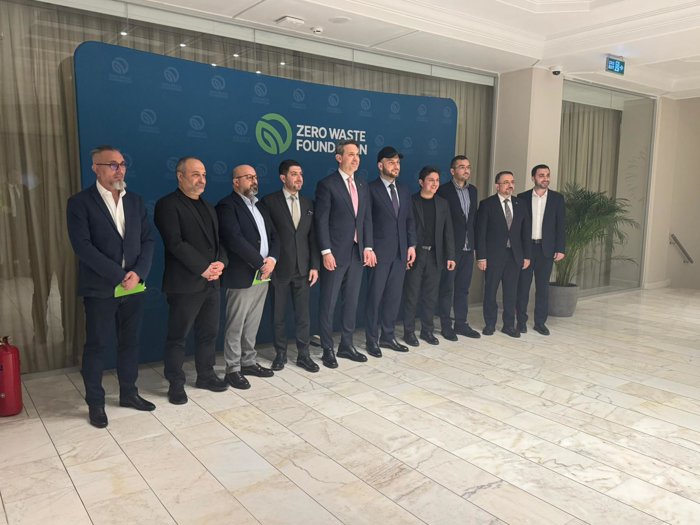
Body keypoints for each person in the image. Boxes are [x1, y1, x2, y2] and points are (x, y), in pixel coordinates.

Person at [66, 145, 155, 428]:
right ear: (96, 168)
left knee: (130, 342)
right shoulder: (80, 203)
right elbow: (83, 247)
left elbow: (147, 241)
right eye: (112, 165)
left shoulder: (135, 201)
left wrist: (138, 273)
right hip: (100, 288)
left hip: (134, 287)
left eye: (122, 164)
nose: (119, 170)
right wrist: (119, 275)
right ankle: (96, 403)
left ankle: (129, 393)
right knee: (97, 345)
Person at [154, 156, 228, 405]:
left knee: (209, 333)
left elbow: (219, 243)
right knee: (178, 337)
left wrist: (221, 263)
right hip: (185, 284)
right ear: (180, 176)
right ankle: (175, 383)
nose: (201, 179)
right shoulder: (167, 205)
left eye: (204, 175)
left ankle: (206, 375)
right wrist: (203, 268)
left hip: (212, 283)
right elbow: (175, 243)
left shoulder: (209, 207)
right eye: (196, 174)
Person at [315, 139, 376, 368]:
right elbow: (321, 220)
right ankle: (327, 349)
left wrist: (368, 247)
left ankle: (346, 345)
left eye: (357, 154)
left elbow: (366, 218)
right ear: (339, 158)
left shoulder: (362, 185)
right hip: (335, 253)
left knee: (351, 301)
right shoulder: (327, 184)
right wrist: (326, 251)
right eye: (351, 154)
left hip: (357, 253)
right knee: (328, 303)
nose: (355, 158)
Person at [217, 165, 278, 389]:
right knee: (236, 323)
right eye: (248, 177)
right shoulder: (227, 206)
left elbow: (275, 236)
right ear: (236, 181)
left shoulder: (260, 205)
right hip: (242, 274)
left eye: (255, 177)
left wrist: (272, 260)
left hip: (264, 274)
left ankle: (249, 362)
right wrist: (260, 263)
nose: (254, 181)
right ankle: (232, 369)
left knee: (252, 322)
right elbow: (234, 239)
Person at [261, 159, 320, 372]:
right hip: (279, 269)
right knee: (278, 316)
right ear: (283, 177)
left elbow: (313, 237)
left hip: (303, 269)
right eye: (294, 174)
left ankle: (304, 355)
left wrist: (315, 266)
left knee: (303, 316)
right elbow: (267, 236)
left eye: (301, 174)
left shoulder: (308, 203)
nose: (299, 178)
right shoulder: (269, 202)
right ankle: (281, 354)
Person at [364, 146, 416, 357]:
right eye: (391, 162)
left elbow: (409, 219)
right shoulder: (370, 189)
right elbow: (366, 222)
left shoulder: (403, 189)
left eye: (398, 163)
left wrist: (411, 245)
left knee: (394, 298)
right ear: (380, 165)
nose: (396, 166)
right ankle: (371, 340)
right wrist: (369, 247)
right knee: (375, 298)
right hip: (379, 254)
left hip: (400, 253)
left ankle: (388, 336)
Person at [402, 167, 456, 347]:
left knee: (430, 296)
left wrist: (450, 256)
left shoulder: (443, 204)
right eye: (431, 180)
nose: (435, 184)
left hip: (435, 255)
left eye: (437, 180)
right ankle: (409, 332)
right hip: (415, 255)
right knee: (411, 295)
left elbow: (448, 232)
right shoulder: (411, 201)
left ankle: (427, 331)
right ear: (421, 182)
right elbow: (405, 228)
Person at [476, 170, 531, 337]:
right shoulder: (487, 204)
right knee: (490, 291)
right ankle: (490, 324)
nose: (510, 185)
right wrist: (481, 257)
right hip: (493, 256)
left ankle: (508, 325)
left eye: (512, 182)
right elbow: (480, 233)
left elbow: (525, 232)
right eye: (506, 182)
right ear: (497, 185)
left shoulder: (520, 204)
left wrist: (526, 256)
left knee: (511, 293)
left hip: (514, 256)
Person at [516, 164, 566, 336]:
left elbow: (561, 225)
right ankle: (521, 322)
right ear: (533, 178)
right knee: (522, 287)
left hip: (546, 250)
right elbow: (518, 226)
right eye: (541, 175)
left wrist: (560, 248)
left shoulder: (557, 199)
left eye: (547, 175)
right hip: (527, 249)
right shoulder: (522, 198)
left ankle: (540, 323)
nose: (545, 178)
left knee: (543, 288)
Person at [437, 155, 480, 341]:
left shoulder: (473, 191)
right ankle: (446, 326)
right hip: (451, 249)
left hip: (468, 248)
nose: (466, 170)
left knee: (463, 288)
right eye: (462, 167)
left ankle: (461, 323)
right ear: (452, 171)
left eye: (468, 167)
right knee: (447, 288)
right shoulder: (443, 190)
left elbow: (472, 220)